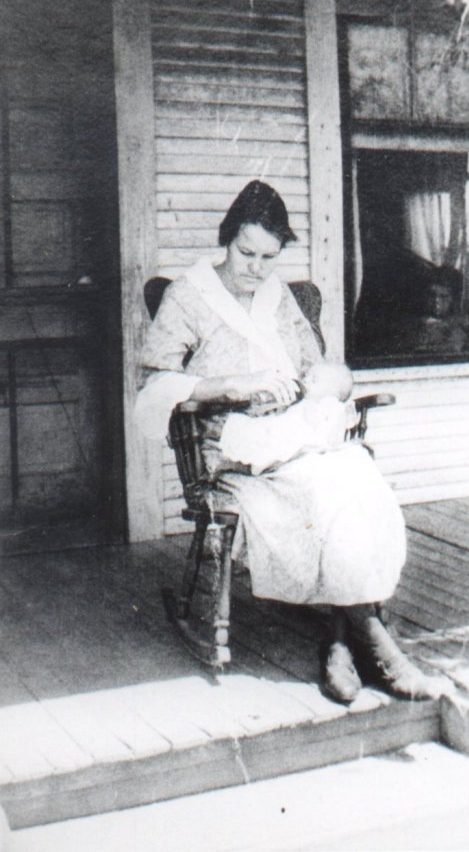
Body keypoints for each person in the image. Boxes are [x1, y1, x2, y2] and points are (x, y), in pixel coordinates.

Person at [135, 180, 451, 704]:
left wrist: (314, 385)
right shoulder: (189, 296)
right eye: (246, 252)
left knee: (359, 481)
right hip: (233, 448)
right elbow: (155, 383)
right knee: (326, 491)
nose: (255, 268)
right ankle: (378, 645)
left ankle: (339, 642)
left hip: (295, 434)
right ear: (227, 238)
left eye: (268, 257)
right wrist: (231, 386)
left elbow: (318, 368)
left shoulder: (277, 296)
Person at [219, 362, 357, 475]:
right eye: (306, 377)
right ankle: (245, 456)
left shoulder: (331, 405)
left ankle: (256, 461)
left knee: (272, 441)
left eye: (314, 380)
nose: (306, 381)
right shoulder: (306, 400)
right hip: (290, 431)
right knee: (262, 431)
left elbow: (325, 428)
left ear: (333, 394)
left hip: (306, 441)